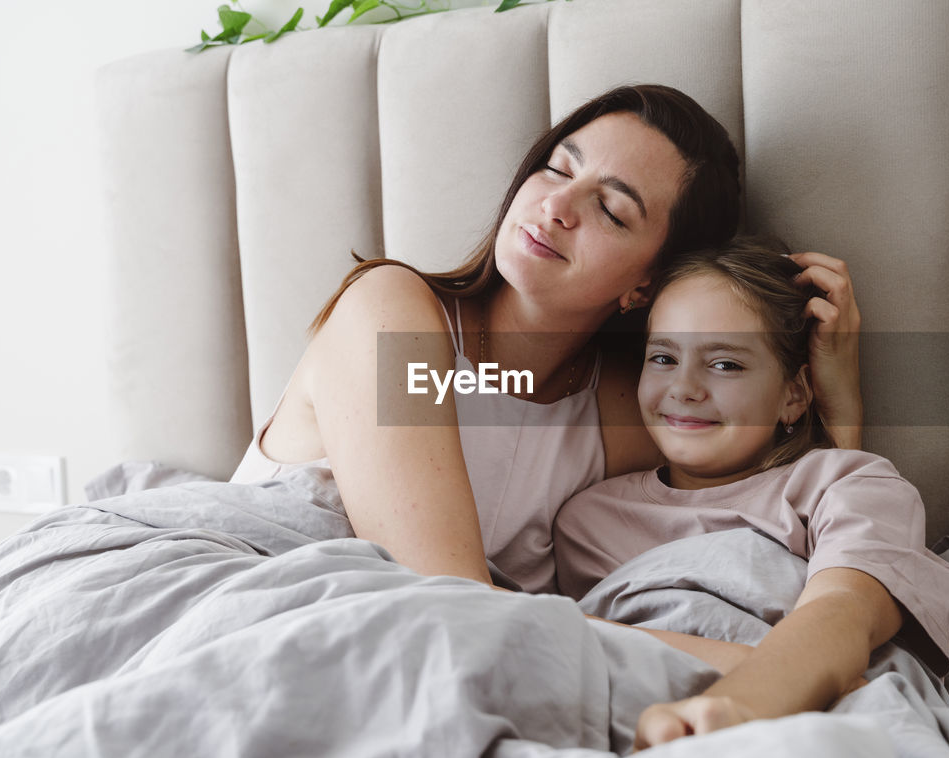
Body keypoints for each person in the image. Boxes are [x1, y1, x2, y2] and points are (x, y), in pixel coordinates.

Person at [230, 84, 865, 667]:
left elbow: (789, 530)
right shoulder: (393, 315)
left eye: (612, 210)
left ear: (646, 283)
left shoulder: (620, 409)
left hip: (442, 660)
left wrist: (836, 399)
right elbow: (447, 599)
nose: (557, 204)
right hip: (266, 613)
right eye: (557, 168)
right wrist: (765, 669)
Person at [552, 237, 949, 746]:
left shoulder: (849, 486)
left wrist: (736, 708)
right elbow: (586, 652)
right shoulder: (587, 520)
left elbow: (843, 611)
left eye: (725, 364)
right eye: (663, 356)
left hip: (763, 721)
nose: (684, 388)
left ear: (794, 394)